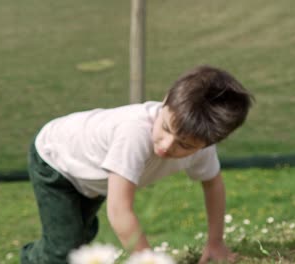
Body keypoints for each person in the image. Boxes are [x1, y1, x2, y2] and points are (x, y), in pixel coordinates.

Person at [20, 65, 254, 264]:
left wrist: (215, 242)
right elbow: (119, 209)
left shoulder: (203, 147)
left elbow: (213, 185)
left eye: (183, 145)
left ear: (206, 145)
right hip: (56, 158)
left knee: (80, 236)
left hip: (94, 177)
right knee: (64, 249)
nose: (166, 146)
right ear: (165, 101)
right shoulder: (133, 133)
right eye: (165, 128)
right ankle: (29, 259)